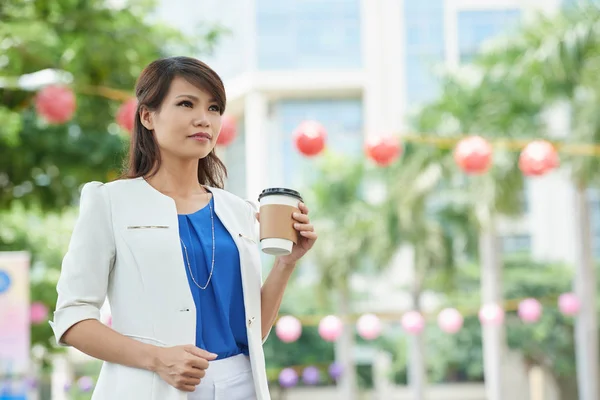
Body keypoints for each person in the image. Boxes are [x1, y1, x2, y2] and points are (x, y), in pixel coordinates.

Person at [49, 56, 317, 400]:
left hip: (243, 386)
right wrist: (158, 359)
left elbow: (251, 331)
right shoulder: (109, 202)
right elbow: (72, 317)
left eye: (214, 107)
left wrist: (285, 262)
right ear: (147, 116)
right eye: (186, 104)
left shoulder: (238, 211)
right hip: (152, 387)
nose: (203, 119)